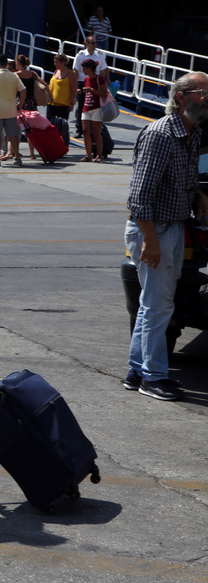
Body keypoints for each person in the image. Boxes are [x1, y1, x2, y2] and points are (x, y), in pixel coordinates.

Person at [124, 72, 208, 402]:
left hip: (171, 226)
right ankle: (153, 377)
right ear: (184, 96)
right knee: (159, 307)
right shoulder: (160, 134)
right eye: (205, 92)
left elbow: (183, 179)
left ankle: (136, 371)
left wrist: (199, 194)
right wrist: (150, 241)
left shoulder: (192, 132)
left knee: (152, 306)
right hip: (153, 229)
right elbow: (139, 195)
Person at [72, 36, 109, 137]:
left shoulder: (100, 55)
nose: (94, 45)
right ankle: (79, 129)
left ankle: (93, 129)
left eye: (95, 43)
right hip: (83, 82)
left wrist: (104, 83)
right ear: (86, 43)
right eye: (92, 43)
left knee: (95, 105)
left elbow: (103, 70)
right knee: (82, 106)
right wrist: (75, 86)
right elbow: (75, 70)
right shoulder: (80, 55)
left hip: (95, 82)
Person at [14, 55, 48, 160]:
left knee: (17, 128)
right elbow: (45, 84)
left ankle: (15, 152)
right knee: (31, 129)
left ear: (19, 63)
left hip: (20, 103)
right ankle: (32, 153)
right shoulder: (32, 74)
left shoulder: (16, 75)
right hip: (32, 103)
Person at [79, 59, 108, 162]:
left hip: (97, 108)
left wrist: (92, 90)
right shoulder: (86, 79)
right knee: (85, 131)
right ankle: (88, 155)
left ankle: (99, 155)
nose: (82, 70)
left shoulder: (99, 78)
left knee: (96, 133)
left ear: (89, 68)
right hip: (86, 107)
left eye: (84, 68)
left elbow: (105, 93)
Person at [47, 53, 77, 121]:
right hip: (51, 103)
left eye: (57, 62)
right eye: (54, 62)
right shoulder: (56, 71)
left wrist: (71, 103)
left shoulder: (71, 74)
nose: (55, 64)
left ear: (63, 62)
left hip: (63, 105)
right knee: (49, 126)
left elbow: (74, 90)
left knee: (61, 126)